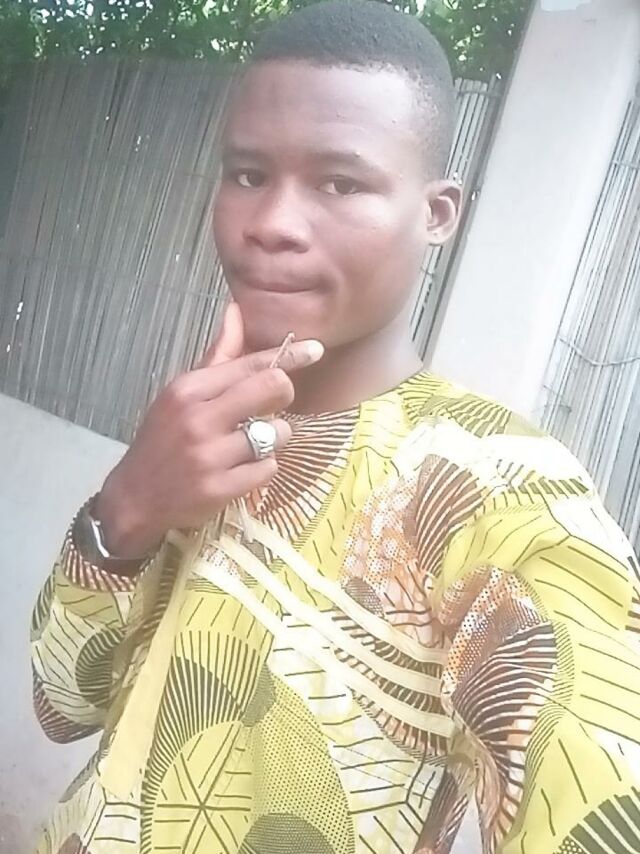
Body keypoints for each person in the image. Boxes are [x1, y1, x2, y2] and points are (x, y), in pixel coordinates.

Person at [31, 2, 640, 852]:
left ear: (437, 213)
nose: (270, 223)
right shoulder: (200, 420)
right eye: (247, 173)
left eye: (339, 183)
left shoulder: (500, 490)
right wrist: (127, 506)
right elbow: (62, 705)